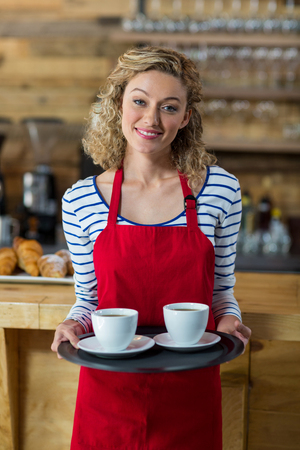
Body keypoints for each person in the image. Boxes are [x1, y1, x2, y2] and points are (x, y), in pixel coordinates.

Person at [51, 46, 251, 450]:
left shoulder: (220, 191)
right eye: (139, 101)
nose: (151, 119)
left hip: (190, 393)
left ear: (186, 117)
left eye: (169, 107)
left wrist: (229, 322)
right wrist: (72, 324)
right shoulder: (81, 200)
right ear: (118, 104)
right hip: (108, 397)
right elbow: (88, 300)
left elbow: (221, 293)